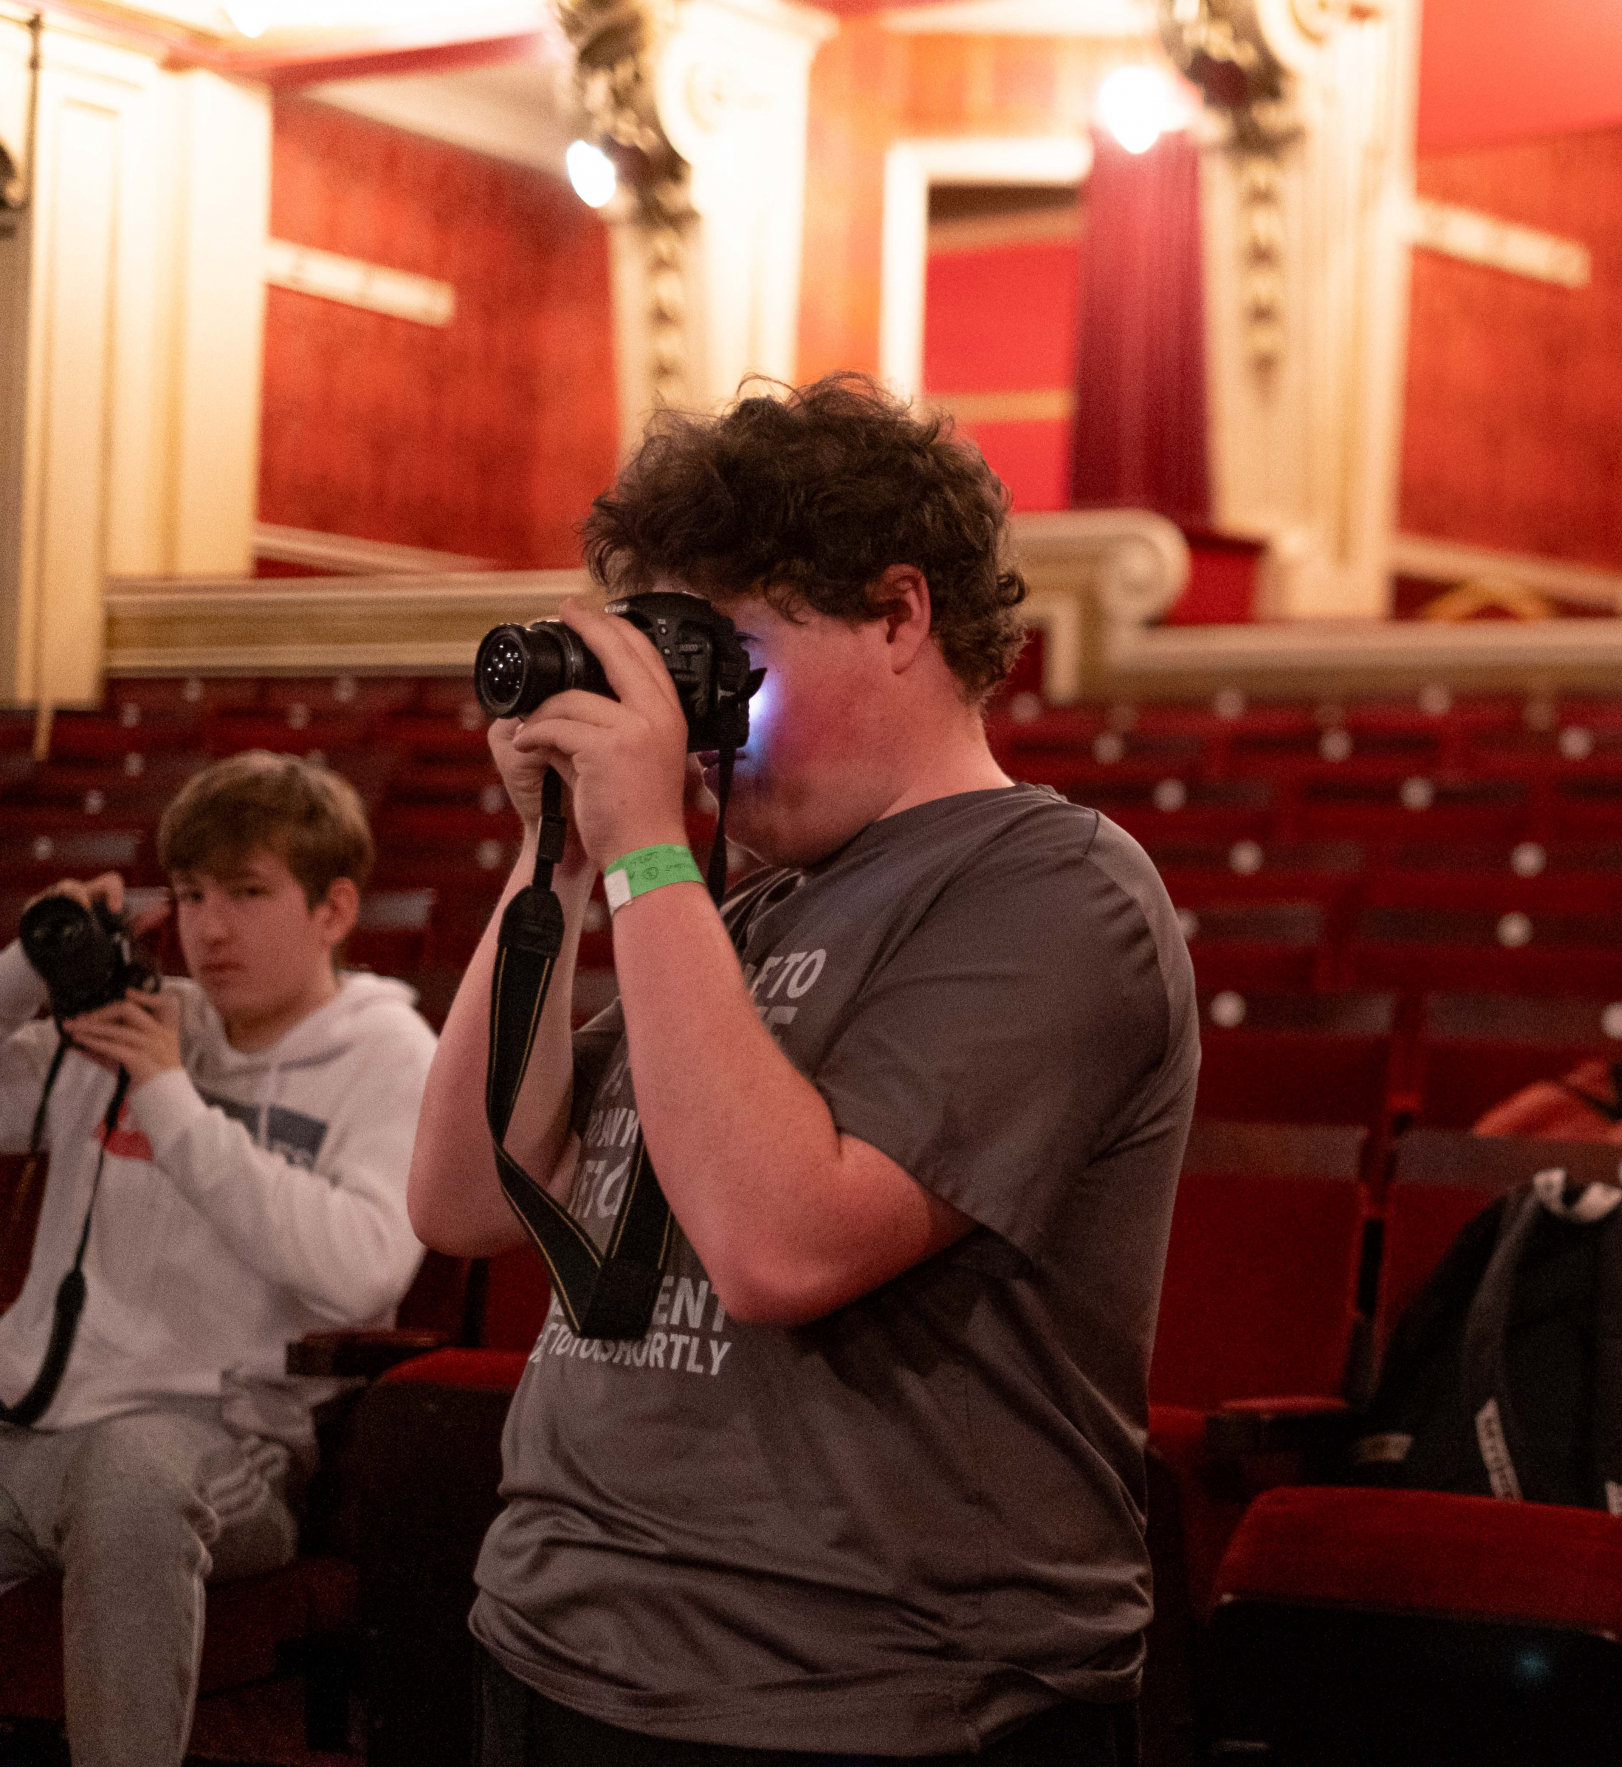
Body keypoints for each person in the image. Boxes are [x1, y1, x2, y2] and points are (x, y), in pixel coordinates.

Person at [406, 374, 1197, 1765]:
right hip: (554, 1637)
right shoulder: (732, 914)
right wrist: (562, 854)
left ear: (901, 615)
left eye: (726, 653)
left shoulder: (1059, 886)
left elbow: (778, 1244)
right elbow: (467, 1197)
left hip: (863, 1693)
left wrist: (648, 842)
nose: (697, 719)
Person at [0, 750, 436, 1767]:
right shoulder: (136, 1022)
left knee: (129, 1478)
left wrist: (168, 1099)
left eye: (247, 893)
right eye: (192, 894)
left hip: (222, 1442)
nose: (212, 927)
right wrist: (27, 966)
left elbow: (364, 1270)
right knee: (108, 1467)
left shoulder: (392, 1058)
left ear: (333, 909)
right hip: (31, 1422)